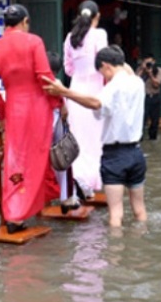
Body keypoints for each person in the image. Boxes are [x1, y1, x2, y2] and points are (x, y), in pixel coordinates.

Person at [41, 45, 147, 229]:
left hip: (115, 156)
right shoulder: (137, 83)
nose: (104, 78)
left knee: (116, 214)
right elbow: (126, 69)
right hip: (137, 154)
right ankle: (140, 253)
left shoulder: (112, 88)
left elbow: (96, 104)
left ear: (106, 66)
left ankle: (116, 256)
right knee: (140, 210)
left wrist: (65, 92)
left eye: (102, 73)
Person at [0, 4, 62, 234]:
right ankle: (28, 208)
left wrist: (4, 111)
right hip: (38, 107)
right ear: (25, 21)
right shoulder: (34, 41)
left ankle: (13, 214)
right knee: (37, 158)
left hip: (14, 109)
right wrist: (60, 102)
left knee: (15, 160)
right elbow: (45, 77)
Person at [63, 0, 107, 199]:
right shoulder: (100, 35)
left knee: (78, 139)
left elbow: (68, 69)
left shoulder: (70, 38)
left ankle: (78, 180)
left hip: (75, 93)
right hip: (95, 93)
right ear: (97, 16)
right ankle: (92, 182)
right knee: (95, 140)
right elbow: (104, 66)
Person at [47, 51, 79, 214]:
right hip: (53, 126)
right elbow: (64, 110)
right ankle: (66, 198)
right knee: (62, 161)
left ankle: (60, 197)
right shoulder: (57, 82)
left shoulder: (38, 82)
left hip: (42, 128)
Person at [137, 54, 161, 140]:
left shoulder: (158, 70)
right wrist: (142, 69)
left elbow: (157, 84)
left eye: (150, 62)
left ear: (154, 62)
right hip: (143, 98)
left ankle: (153, 138)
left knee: (155, 121)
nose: (148, 64)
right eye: (146, 62)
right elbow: (134, 81)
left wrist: (150, 74)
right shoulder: (140, 70)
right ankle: (139, 138)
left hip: (155, 97)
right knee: (142, 119)